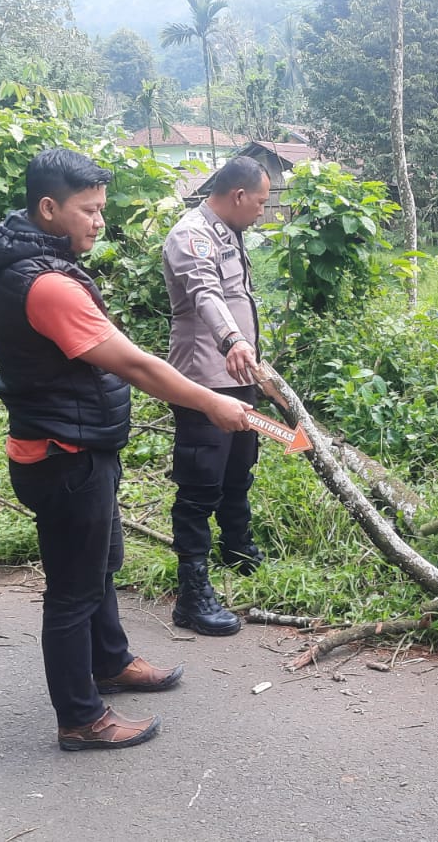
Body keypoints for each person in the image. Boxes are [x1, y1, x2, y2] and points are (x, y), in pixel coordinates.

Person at [0, 148, 254, 751]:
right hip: (62, 455)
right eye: (88, 210)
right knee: (72, 591)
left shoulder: (40, 262)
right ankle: (80, 717)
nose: (99, 221)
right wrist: (211, 401)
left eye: (102, 209)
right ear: (49, 208)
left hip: (78, 448)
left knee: (100, 568)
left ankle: (111, 661)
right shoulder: (45, 284)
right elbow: (134, 364)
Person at [160, 155, 272, 636]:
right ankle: (192, 591)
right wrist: (233, 341)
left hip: (240, 373)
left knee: (238, 467)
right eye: (261, 203)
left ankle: (238, 547)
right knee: (200, 481)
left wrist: (251, 357)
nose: (263, 212)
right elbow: (206, 294)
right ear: (239, 195)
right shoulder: (192, 235)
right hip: (205, 379)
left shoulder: (230, 231)